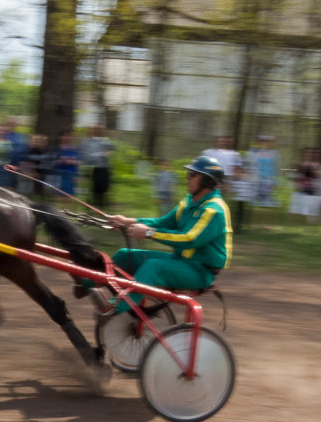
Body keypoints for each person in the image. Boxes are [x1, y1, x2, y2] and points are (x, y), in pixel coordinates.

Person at [96, 156, 233, 319]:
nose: (187, 176)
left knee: (153, 267)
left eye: (193, 174)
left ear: (207, 181)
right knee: (124, 255)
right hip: (180, 261)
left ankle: (115, 308)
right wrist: (128, 221)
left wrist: (148, 233)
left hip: (200, 271)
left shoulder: (214, 210)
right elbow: (163, 222)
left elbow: (189, 239)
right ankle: (87, 283)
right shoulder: (189, 201)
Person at [79, 123, 114, 208]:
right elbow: (85, 155)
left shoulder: (105, 141)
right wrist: (100, 154)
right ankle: (91, 207)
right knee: (93, 189)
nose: (99, 131)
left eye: (101, 130)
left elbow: (113, 149)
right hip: (91, 168)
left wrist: (108, 153)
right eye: (97, 129)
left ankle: (102, 205)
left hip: (104, 168)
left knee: (103, 188)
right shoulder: (87, 141)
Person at [250, 135, 280, 228]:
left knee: (267, 204)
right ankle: (252, 223)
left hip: (268, 180)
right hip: (256, 179)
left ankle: (264, 223)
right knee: (253, 202)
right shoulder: (253, 152)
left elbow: (276, 168)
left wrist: (275, 182)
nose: (263, 143)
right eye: (261, 141)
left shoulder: (274, 153)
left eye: (265, 141)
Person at [288, 147, 321, 225]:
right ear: (303, 154)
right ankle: (292, 224)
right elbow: (293, 175)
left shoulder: (312, 165)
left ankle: (312, 225)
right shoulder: (298, 164)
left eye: (310, 153)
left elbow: (316, 176)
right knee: (295, 208)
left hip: (310, 188)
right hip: (299, 188)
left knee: (310, 209)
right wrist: (296, 183)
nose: (309, 154)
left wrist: (315, 173)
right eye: (307, 153)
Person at [51, 131, 80, 195]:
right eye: (65, 136)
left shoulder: (75, 149)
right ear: (60, 137)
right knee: (57, 195)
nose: (67, 138)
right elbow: (51, 162)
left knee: (69, 196)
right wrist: (61, 161)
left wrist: (70, 162)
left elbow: (79, 161)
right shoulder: (55, 148)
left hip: (71, 175)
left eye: (69, 136)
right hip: (58, 176)